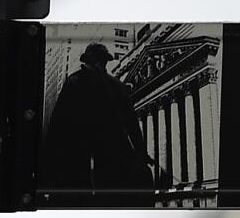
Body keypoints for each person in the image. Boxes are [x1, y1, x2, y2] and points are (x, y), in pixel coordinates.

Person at [41, 42, 157, 193]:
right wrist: (141, 153)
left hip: (87, 156)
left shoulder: (75, 81)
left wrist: (51, 158)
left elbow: (57, 125)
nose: (100, 64)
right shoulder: (116, 85)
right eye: (100, 60)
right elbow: (132, 124)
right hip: (105, 155)